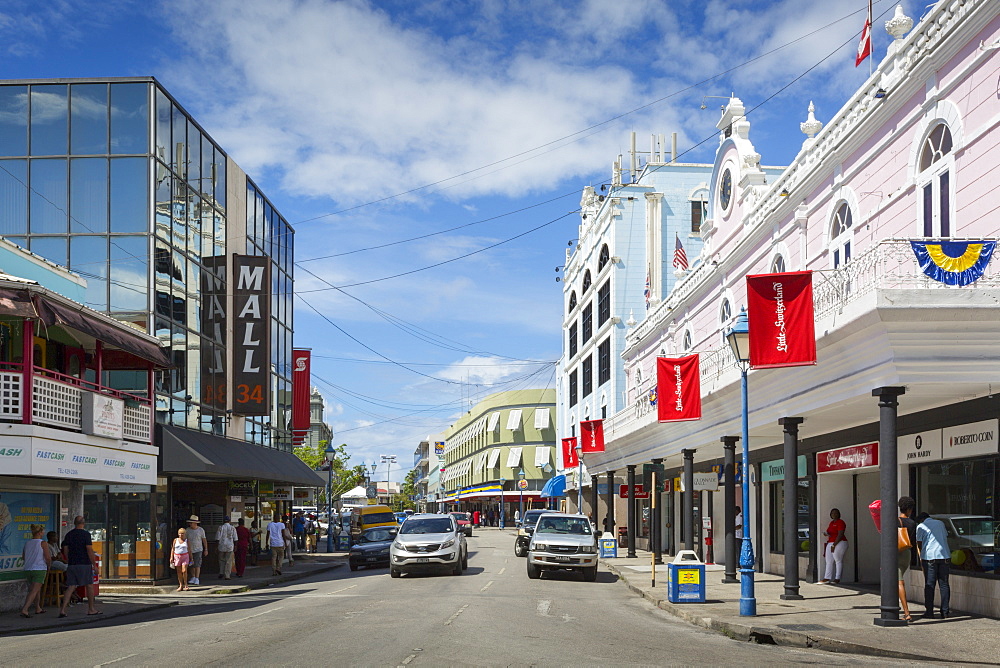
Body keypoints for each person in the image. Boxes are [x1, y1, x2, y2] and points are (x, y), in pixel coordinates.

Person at [58, 516, 100, 617]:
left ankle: (63, 610)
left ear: (74, 523)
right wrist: (94, 564)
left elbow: (65, 549)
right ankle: (91, 609)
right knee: (89, 585)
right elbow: (89, 549)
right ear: (83, 523)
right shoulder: (86, 534)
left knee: (71, 586)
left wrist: (68, 559)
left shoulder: (69, 534)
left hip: (72, 564)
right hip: (84, 563)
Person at [916, 512, 951, 619]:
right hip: (944, 556)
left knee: (930, 585)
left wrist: (921, 556)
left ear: (921, 520)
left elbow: (919, 543)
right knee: (944, 584)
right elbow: (945, 536)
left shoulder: (921, 526)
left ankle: (929, 612)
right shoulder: (940, 523)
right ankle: (945, 611)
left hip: (930, 557)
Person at [20, 524, 51, 617]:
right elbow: (47, 557)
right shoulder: (43, 543)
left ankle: (38, 607)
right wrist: (49, 565)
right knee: (34, 590)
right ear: (40, 533)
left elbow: (23, 557)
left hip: (28, 568)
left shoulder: (27, 543)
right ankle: (25, 609)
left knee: (36, 590)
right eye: (43, 532)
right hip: (39, 568)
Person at [897, 496, 917, 622]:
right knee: (897, 580)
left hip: (897, 553)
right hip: (907, 553)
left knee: (899, 582)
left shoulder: (895, 521)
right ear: (909, 509)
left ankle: (906, 612)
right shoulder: (912, 523)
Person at [821, 508, 848, 584]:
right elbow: (831, 532)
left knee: (838, 560)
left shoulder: (840, 522)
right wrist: (826, 534)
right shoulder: (831, 523)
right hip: (830, 542)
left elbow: (840, 534)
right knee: (828, 560)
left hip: (839, 542)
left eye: (836, 513)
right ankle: (827, 578)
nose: (834, 514)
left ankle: (837, 578)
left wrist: (834, 545)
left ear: (839, 514)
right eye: (832, 513)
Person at [186, 515, 208, 586]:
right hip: (189, 550)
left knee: (197, 564)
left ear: (195, 523)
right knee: (191, 565)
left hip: (198, 549)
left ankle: (197, 577)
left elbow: (204, 539)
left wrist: (206, 549)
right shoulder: (187, 530)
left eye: (191, 523)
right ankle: (193, 576)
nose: (190, 524)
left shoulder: (201, 530)